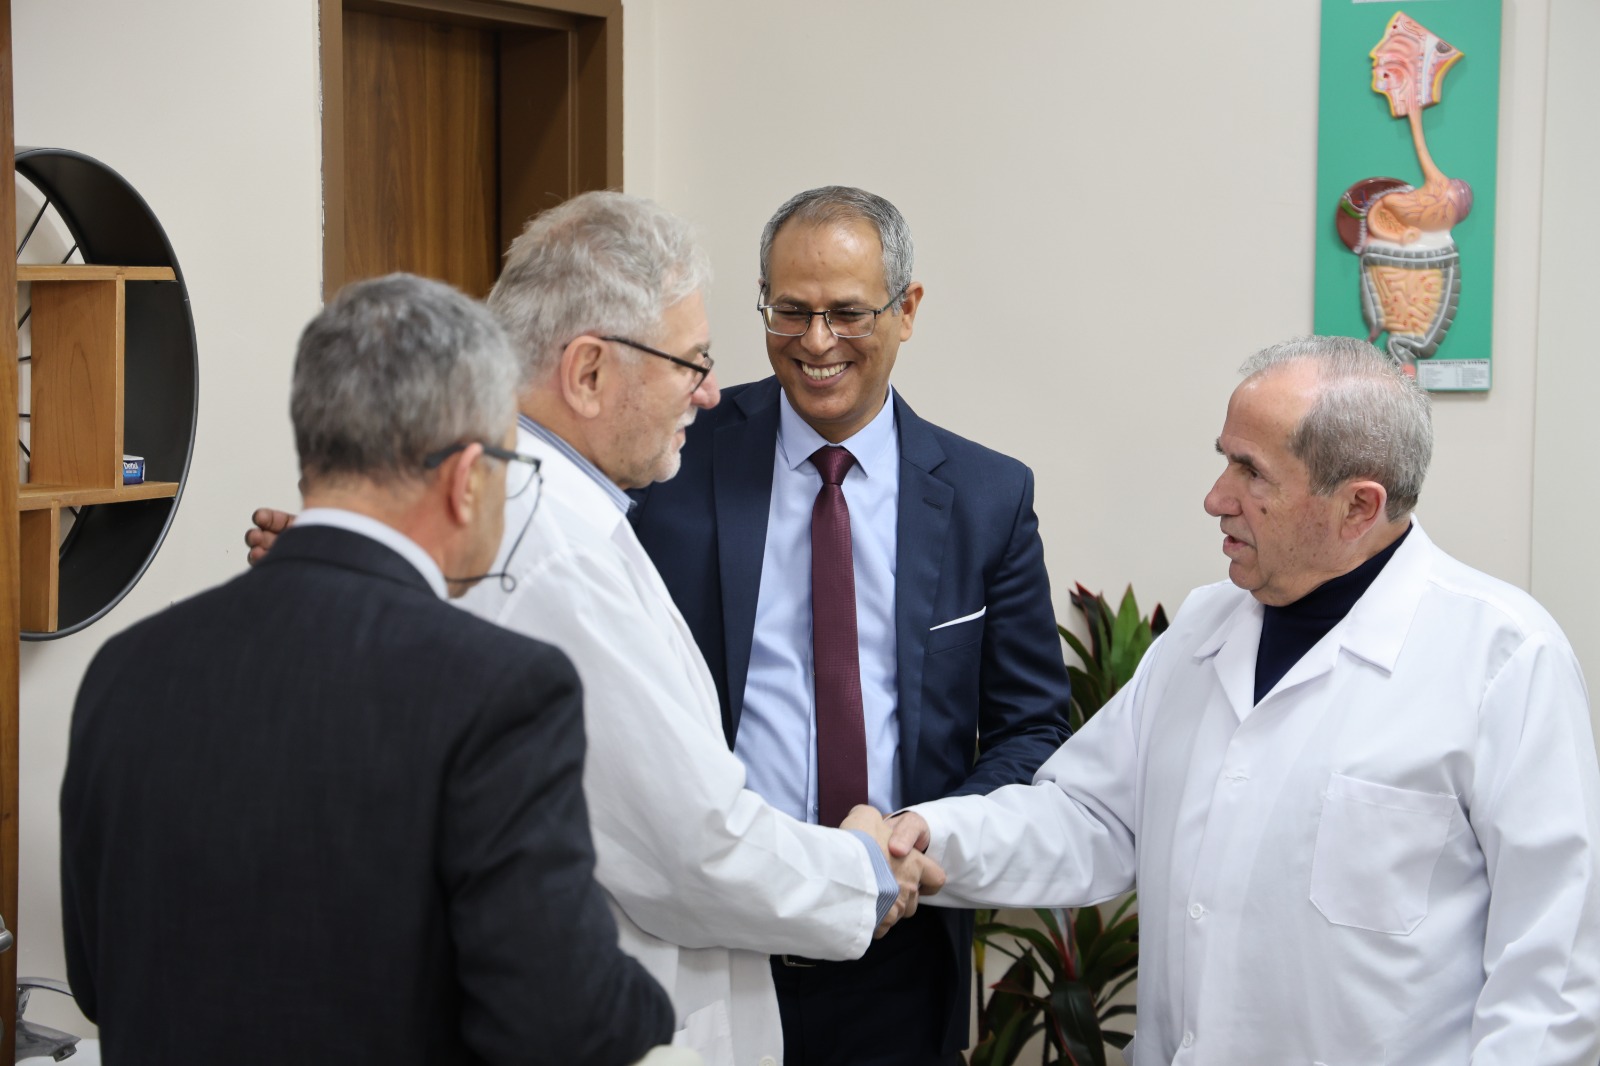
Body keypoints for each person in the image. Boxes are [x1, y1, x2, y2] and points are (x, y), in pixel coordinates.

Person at [246, 193, 944, 1066]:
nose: (711, 392)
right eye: (692, 363)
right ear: (586, 374)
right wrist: (865, 868)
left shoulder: (532, 515)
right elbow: (691, 850)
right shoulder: (550, 549)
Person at [887, 336, 1600, 1065]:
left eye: (1251, 471)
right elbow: (1091, 816)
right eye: (1225, 458)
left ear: (1359, 506)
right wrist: (925, 836)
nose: (1216, 498)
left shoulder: (1504, 659)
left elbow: (1549, 985)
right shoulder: (1205, 627)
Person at [61, 274, 674, 1066]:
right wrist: (659, 1011)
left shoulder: (126, 670)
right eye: (510, 469)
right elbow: (564, 1018)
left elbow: (97, 979)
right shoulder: (501, 692)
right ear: (467, 479)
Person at [628, 186, 1074, 1065]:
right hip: (713, 942)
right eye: (791, 312)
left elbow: (1029, 728)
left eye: (847, 313)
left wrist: (919, 837)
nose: (817, 342)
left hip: (899, 953)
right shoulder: (673, 458)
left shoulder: (987, 497)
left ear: (907, 310)